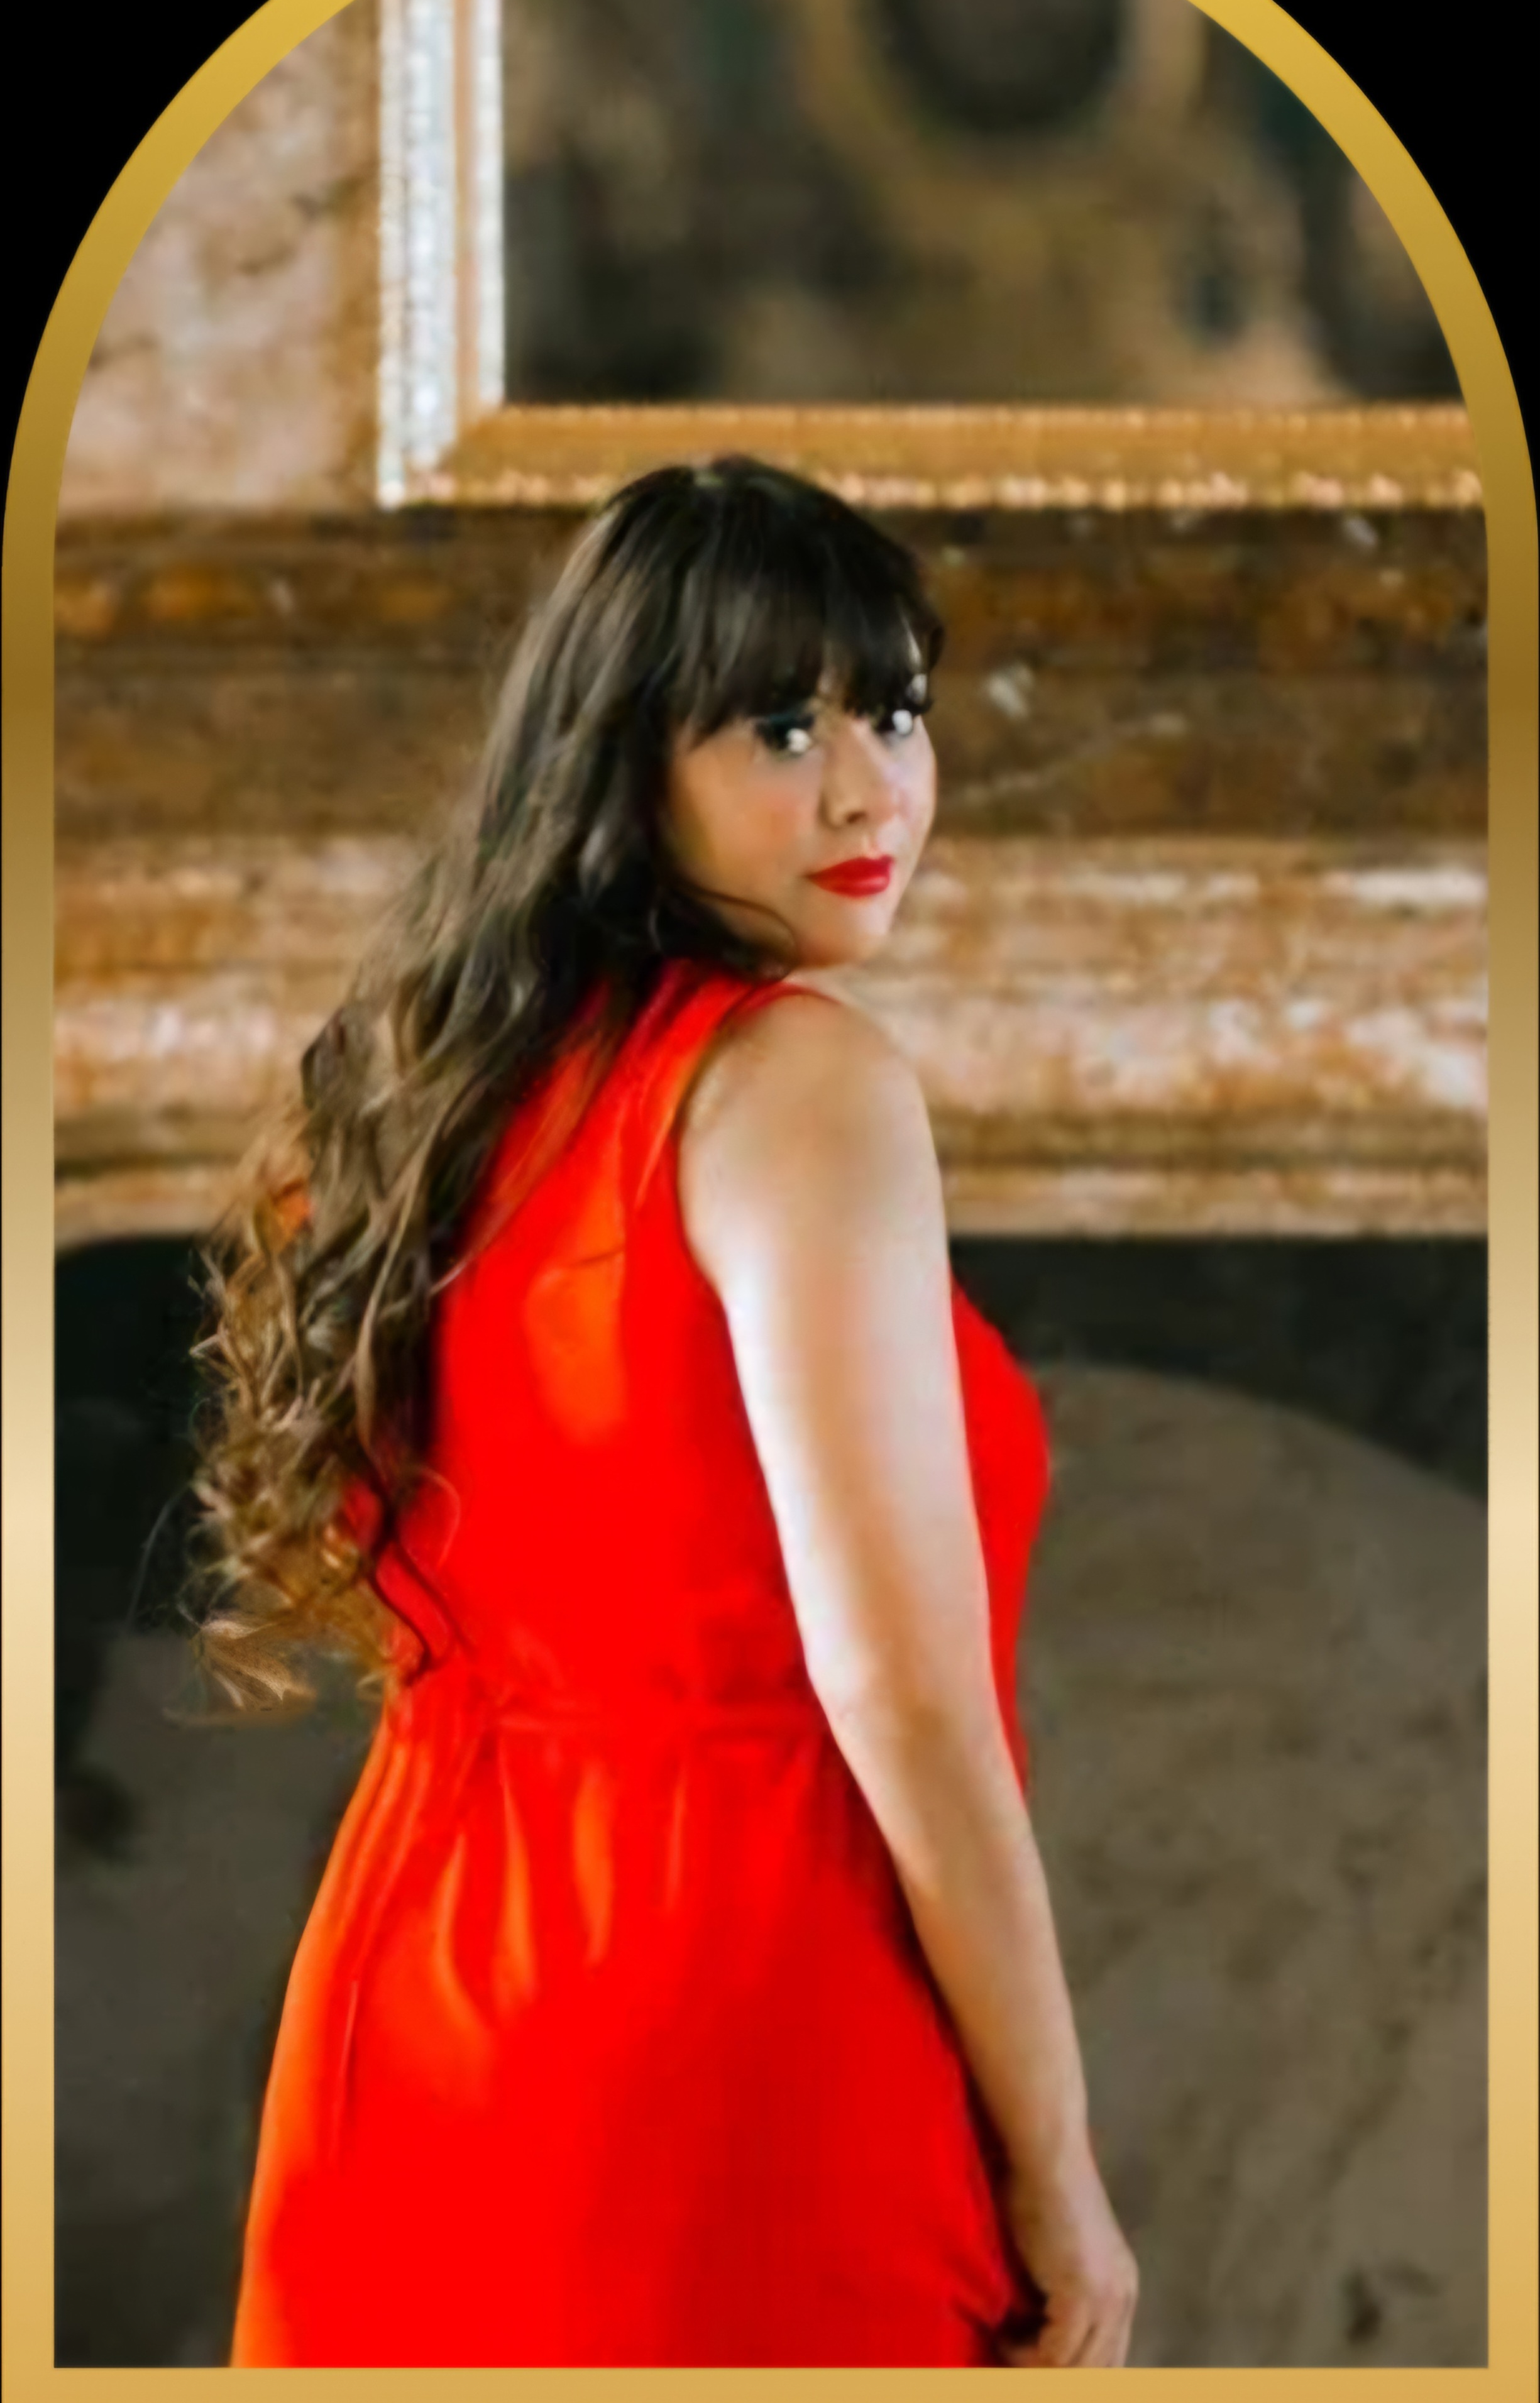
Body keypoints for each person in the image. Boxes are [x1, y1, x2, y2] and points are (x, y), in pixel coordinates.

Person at [193, 457, 1138, 2368]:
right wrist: (1057, 2175)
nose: (870, 791)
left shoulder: (433, 1087)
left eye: (894, 712)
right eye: (780, 728)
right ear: (628, 764)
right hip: (737, 2009)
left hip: (413, 1983)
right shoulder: (800, 1087)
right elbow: (901, 1694)